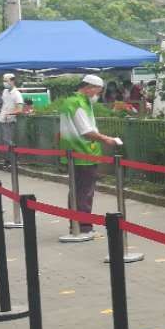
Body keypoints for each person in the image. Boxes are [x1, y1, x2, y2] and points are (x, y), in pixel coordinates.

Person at [57, 74, 122, 235]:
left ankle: (76, 225)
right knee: (84, 192)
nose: (97, 96)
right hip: (83, 152)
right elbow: (86, 131)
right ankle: (83, 227)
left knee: (77, 190)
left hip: (75, 152)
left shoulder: (72, 102)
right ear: (88, 88)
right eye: (97, 92)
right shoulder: (78, 103)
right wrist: (106, 139)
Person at [0, 74, 24, 147]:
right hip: (2, 120)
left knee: (8, 141)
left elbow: (19, 110)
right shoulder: (5, 91)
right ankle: (7, 154)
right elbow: (2, 103)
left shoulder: (17, 94)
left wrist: (9, 114)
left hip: (10, 122)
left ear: (12, 81)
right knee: (3, 141)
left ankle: (12, 153)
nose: (4, 83)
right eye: (4, 81)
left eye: (6, 81)